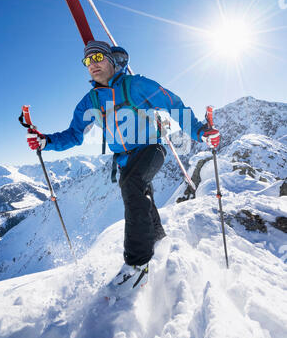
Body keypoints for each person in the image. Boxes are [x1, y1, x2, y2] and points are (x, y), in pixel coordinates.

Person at [27, 41, 220, 292]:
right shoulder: (90, 102)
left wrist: (200, 131)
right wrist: (47, 141)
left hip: (152, 147)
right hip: (124, 159)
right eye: (88, 61)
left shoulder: (136, 85)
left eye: (97, 57)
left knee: (133, 187)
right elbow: (74, 135)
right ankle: (158, 240)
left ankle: (138, 264)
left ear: (112, 60)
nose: (92, 64)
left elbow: (175, 104)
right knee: (141, 194)